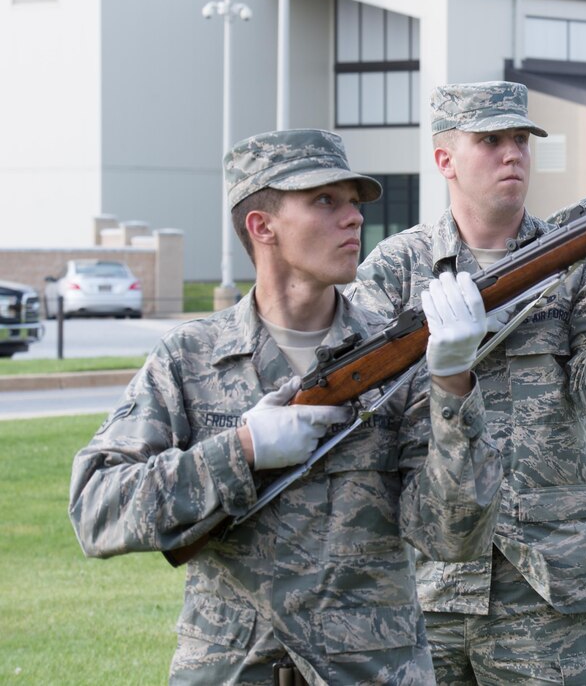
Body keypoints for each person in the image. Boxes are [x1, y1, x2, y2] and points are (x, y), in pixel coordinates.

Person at [69, 129, 504, 684]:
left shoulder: (400, 358)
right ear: (262, 225)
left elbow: (454, 537)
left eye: (353, 203)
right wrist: (242, 451)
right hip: (234, 671)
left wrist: (453, 384)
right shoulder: (190, 356)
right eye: (325, 201)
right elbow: (95, 510)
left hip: (371, 670)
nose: (352, 219)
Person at [346, 81, 586, 685]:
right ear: (445, 160)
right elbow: (361, 405)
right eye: (490, 141)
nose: (512, 154)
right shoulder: (396, 267)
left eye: (521, 140)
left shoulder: (573, 263)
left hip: (544, 581)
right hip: (423, 576)